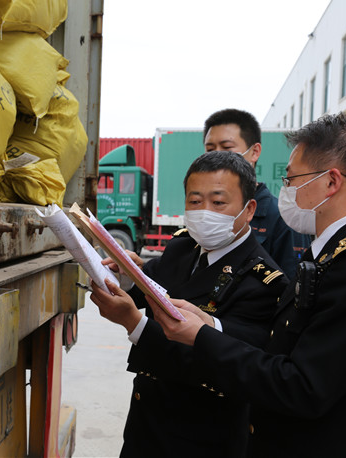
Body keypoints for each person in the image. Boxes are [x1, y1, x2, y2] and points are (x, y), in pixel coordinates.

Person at [147, 112, 346, 458]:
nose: (285, 190)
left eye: (291, 179)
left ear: (331, 182)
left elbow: (302, 386)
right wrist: (209, 327)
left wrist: (201, 336)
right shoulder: (336, 252)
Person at [90, 151, 288, 457]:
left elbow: (219, 362)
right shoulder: (183, 246)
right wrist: (126, 275)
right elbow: (152, 286)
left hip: (202, 438)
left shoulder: (264, 282)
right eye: (195, 201)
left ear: (249, 209)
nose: (204, 212)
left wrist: (134, 324)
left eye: (218, 203)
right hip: (145, 428)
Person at [203, 108, 310, 278]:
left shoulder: (283, 218)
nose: (216, 157)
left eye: (227, 148)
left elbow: (290, 286)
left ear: (254, 152)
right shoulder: (205, 213)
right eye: (210, 150)